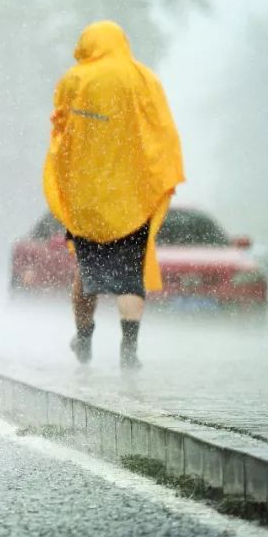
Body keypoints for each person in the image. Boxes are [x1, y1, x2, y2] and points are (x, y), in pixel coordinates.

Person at [42, 20, 184, 369]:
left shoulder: (75, 80)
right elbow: (161, 130)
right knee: (129, 278)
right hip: (132, 201)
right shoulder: (143, 79)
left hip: (87, 199)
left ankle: (85, 338)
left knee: (87, 270)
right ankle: (129, 349)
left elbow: (60, 131)